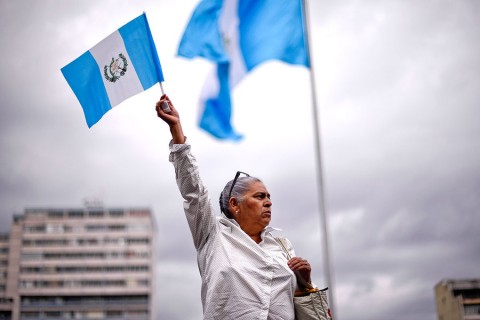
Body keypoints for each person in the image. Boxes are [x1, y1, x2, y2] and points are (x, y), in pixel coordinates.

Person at [156, 94, 314, 320]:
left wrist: (304, 281)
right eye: (259, 196)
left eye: (269, 197)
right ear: (234, 204)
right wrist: (176, 131)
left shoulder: (283, 246)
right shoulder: (213, 235)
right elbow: (194, 192)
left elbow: (299, 305)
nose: (268, 202)